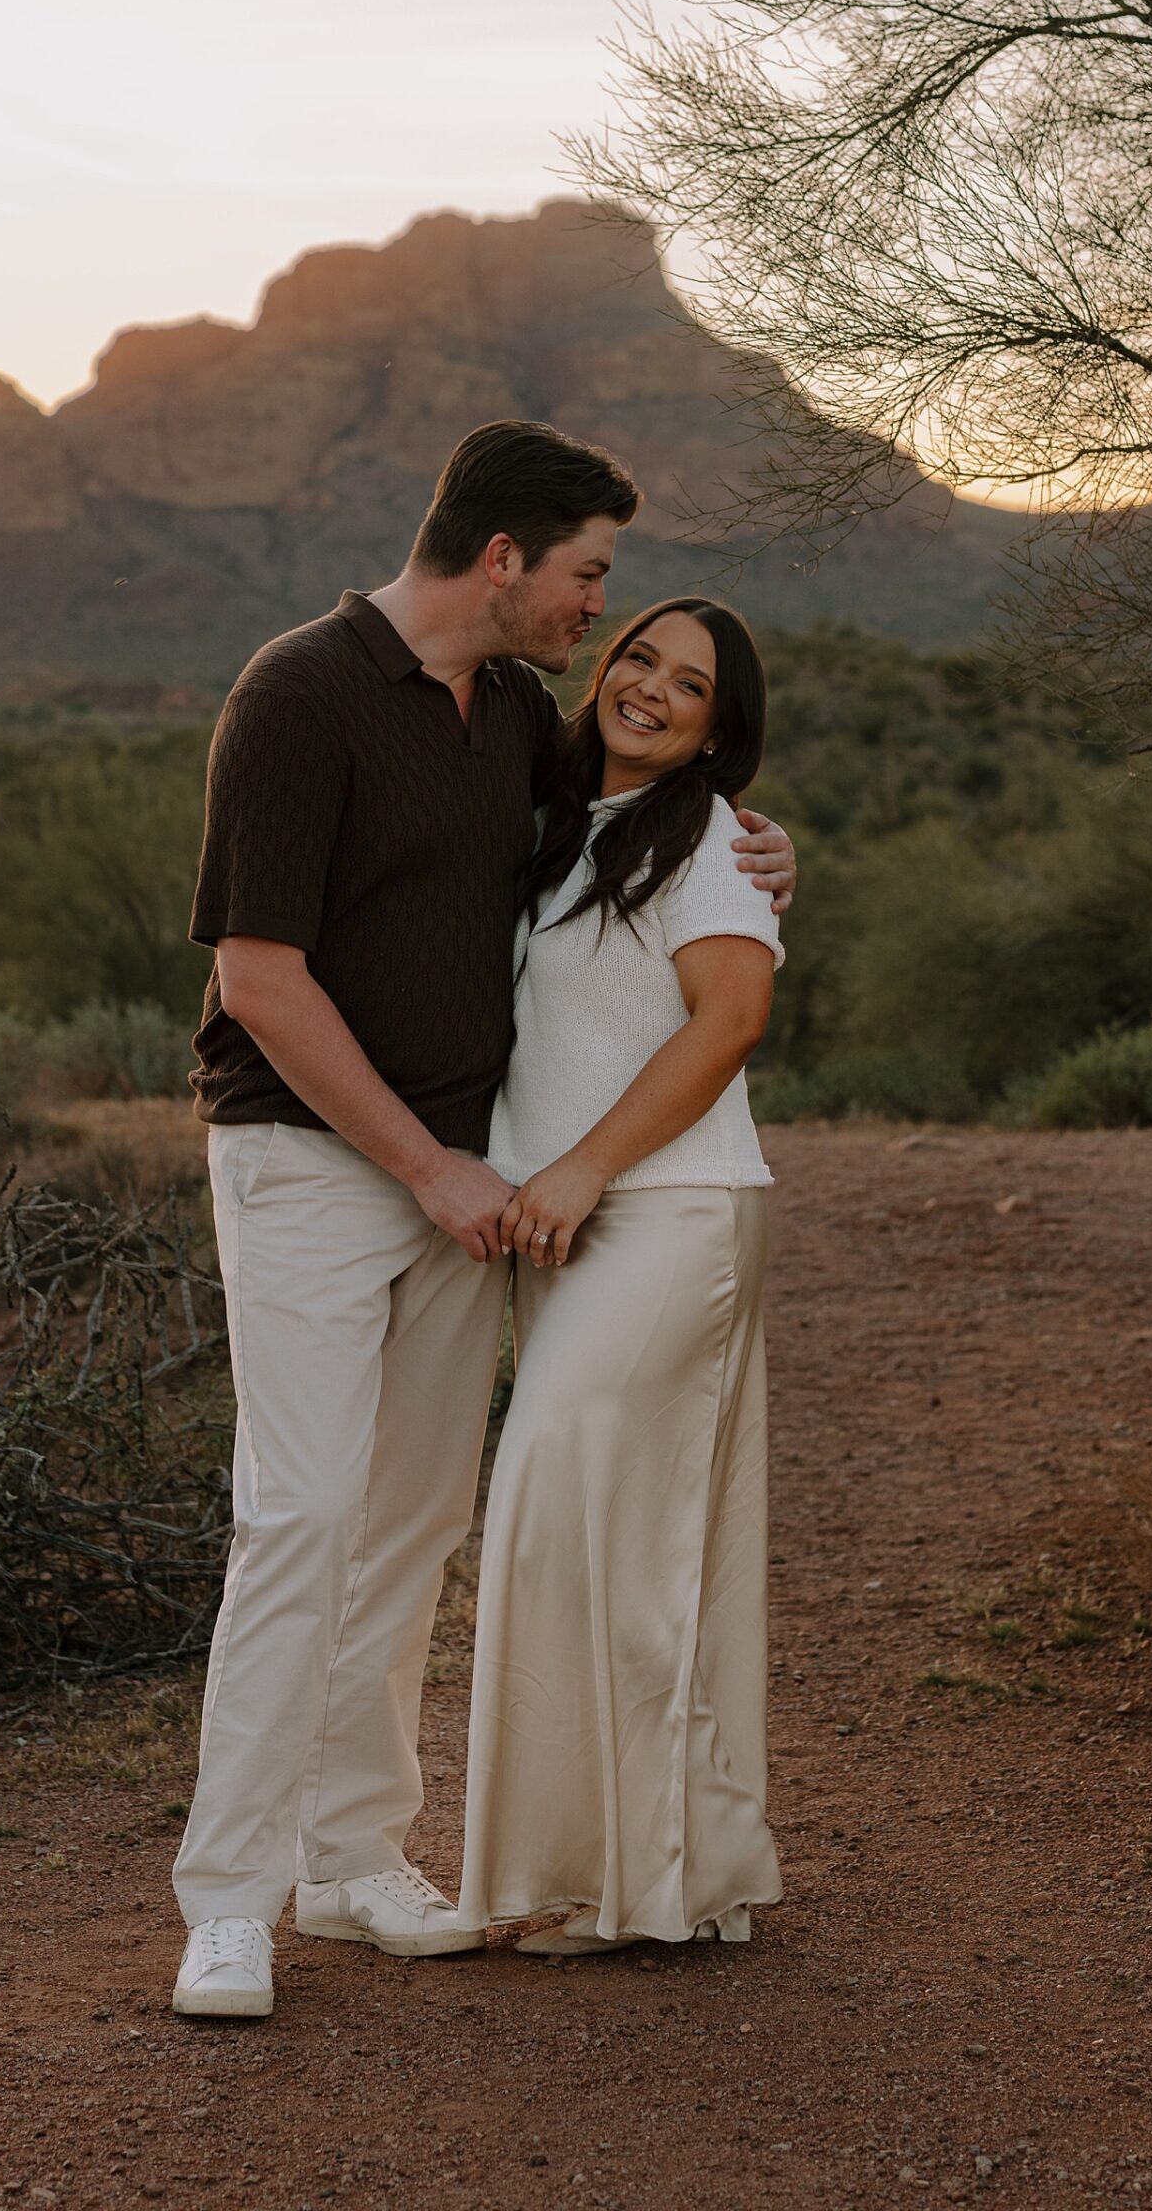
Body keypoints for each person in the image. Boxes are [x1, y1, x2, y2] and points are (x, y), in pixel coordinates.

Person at [169, 423, 796, 2018]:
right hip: (314, 1161)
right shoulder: (298, 693)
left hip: (467, 1184)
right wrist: (428, 1164)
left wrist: (769, 846)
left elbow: (657, 819)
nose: (600, 612)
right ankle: (229, 1901)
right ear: (505, 560)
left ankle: (353, 1858)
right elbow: (259, 975)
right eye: (589, 575)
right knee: (299, 1516)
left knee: (408, 1526)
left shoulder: (513, 715)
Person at [456, 597, 784, 1954]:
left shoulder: (707, 839)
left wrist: (584, 1166)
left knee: (564, 1515)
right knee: (621, 1543)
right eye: (640, 657)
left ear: (720, 729)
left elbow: (735, 1017)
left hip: (665, 1215)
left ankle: (623, 1881)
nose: (651, 688)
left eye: (689, 684)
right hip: (573, 1229)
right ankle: (666, 1873)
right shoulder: (564, 830)